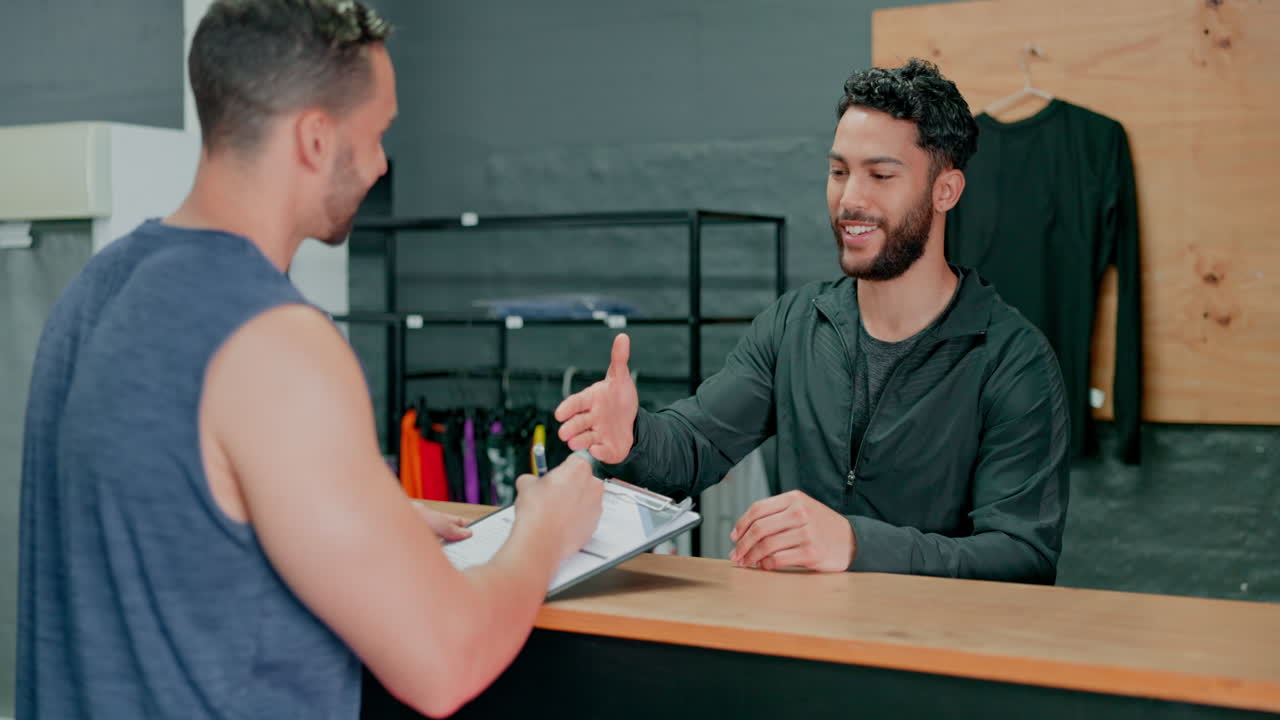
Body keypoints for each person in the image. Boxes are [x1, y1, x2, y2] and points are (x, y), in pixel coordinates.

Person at [17, 2, 603, 718]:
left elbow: (167, 524)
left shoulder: (93, 292)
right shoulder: (275, 338)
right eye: (377, 133)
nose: (381, 163)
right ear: (316, 138)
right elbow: (445, 660)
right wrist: (545, 530)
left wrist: (354, 509)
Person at [556, 59, 1069, 583]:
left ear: (946, 191)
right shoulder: (794, 325)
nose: (851, 199)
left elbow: (1021, 558)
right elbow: (696, 447)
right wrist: (632, 437)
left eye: (880, 175)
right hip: (801, 630)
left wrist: (856, 544)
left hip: (929, 635)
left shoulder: (1012, 360)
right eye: (839, 172)